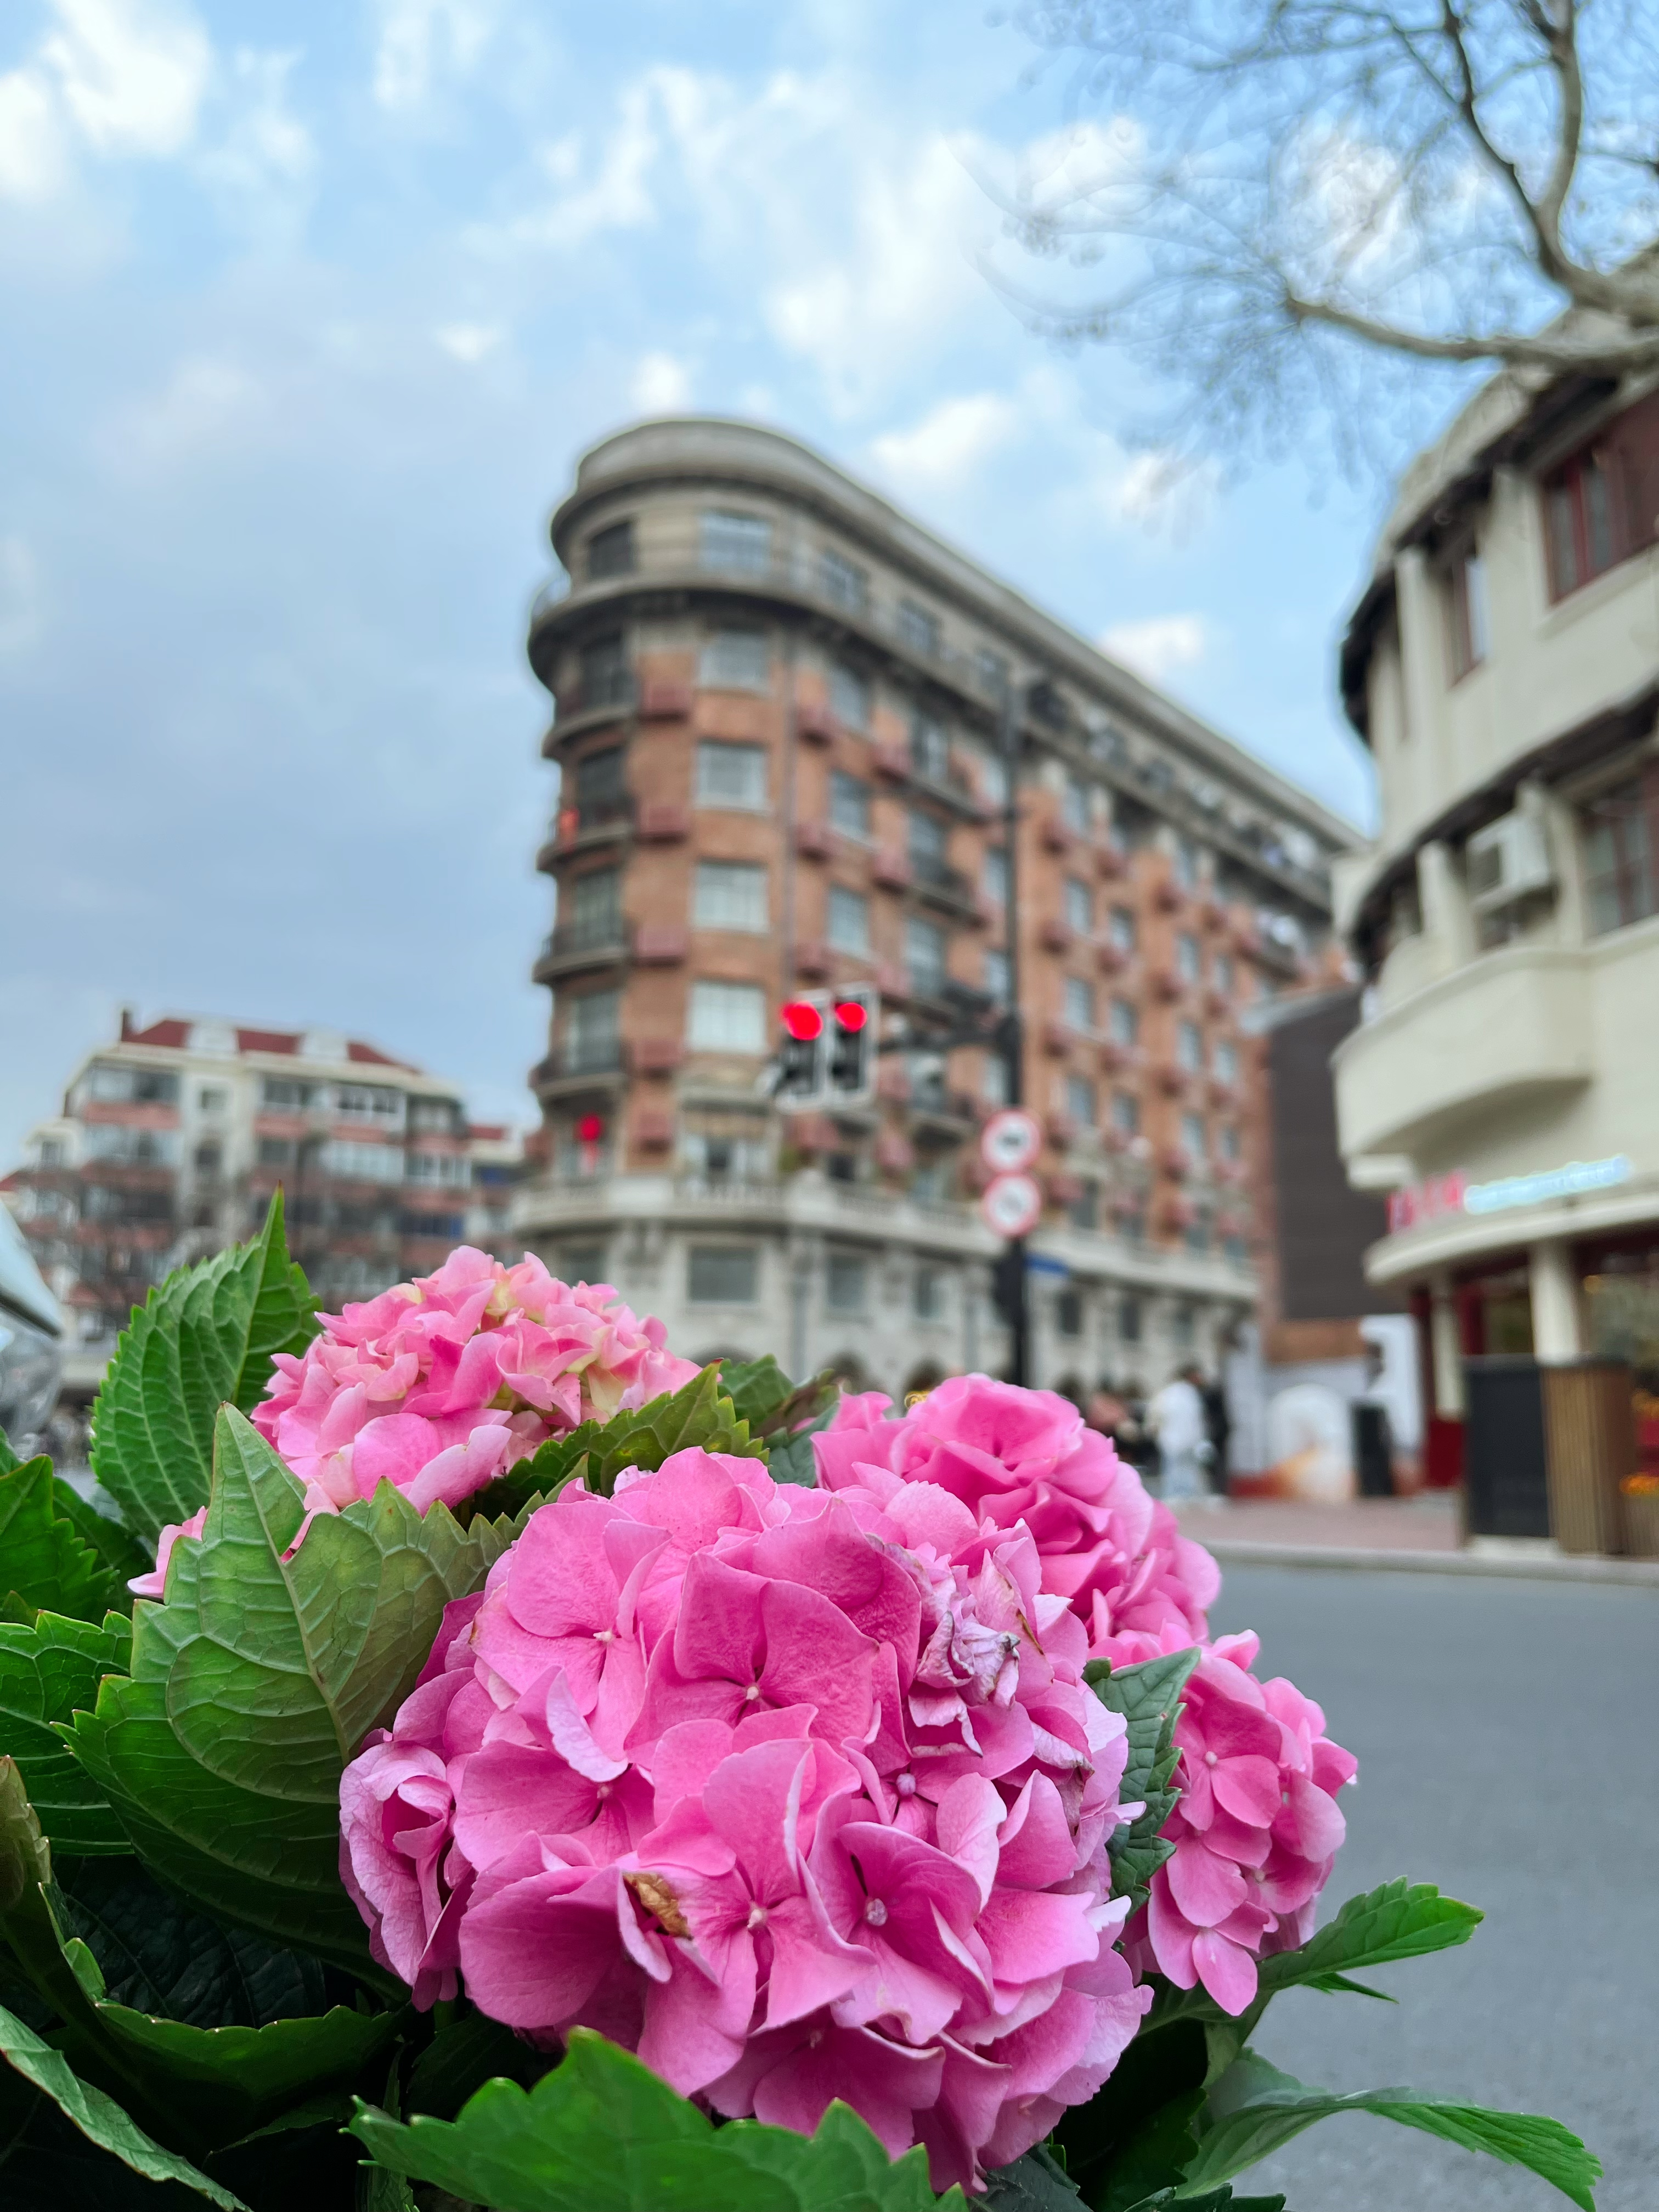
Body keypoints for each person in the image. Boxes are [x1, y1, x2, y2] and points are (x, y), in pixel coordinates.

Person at [1148, 1363, 1208, 1500]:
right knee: (1181, 1470)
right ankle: (1180, 1495)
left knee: (1180, 1470)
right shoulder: (1183, 1393)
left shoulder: (1172, 1393)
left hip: (1176, 1439)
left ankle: (1180, 1495)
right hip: (1180, 1439)